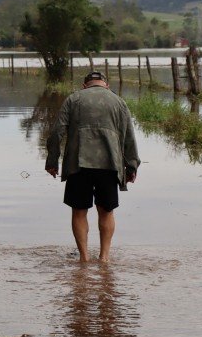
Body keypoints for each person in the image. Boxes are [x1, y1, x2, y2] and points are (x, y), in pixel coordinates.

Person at [45, 71, 140, 263]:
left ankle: (84, 258)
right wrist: (132, 166)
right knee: (106, 210)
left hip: (78, 165)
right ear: (106, 85)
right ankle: (104, 258)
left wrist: (52, 161)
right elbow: (129, 136)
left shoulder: (74, 99)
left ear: (84, 85)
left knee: (79, 210)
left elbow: (56, 132)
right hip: (110, 164)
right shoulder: (118, 102)